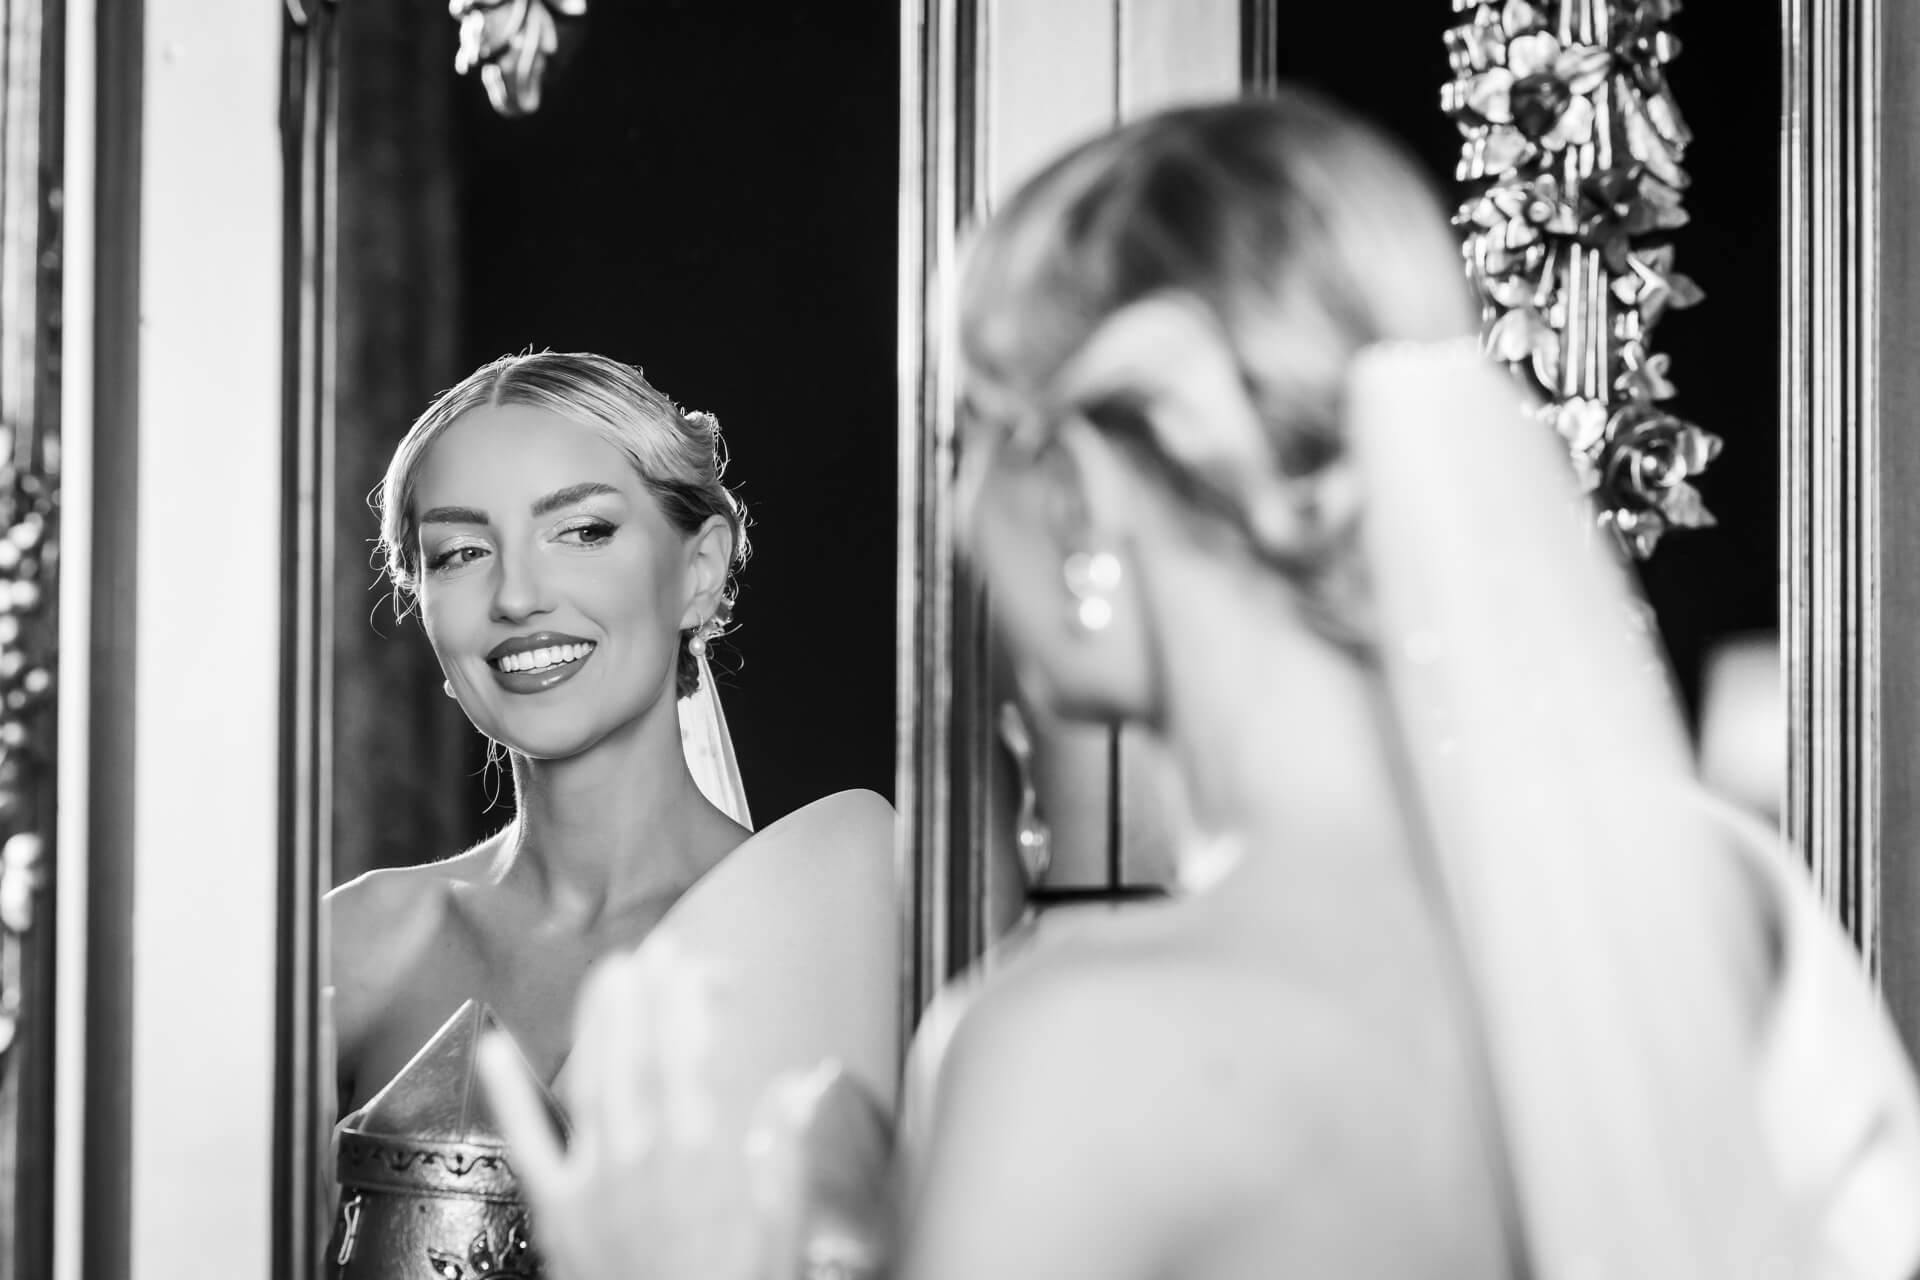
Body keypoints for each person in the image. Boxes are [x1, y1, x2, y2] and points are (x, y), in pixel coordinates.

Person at [483, 96, 1920, 1280]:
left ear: (1085, 496)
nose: (960, 513)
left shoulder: (1077, 1048)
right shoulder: (1721, 915)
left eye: (968, 442)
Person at [322, 351, 898, 1278]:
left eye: (583, 531)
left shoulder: (853, 917)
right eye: (461, 552)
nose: (515, 596)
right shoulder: (359, 944)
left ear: (699, 572)